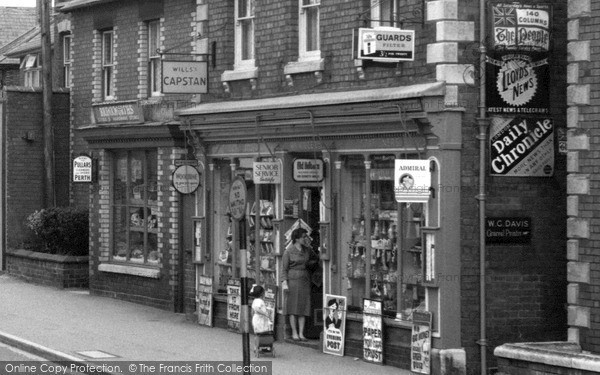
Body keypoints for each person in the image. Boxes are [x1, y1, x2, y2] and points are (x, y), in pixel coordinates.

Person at [281, 228, 312, 341]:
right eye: (303, 237)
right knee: (293, 307)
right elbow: (284, 269)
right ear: (297, 238)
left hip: (304, 280)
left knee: (303, 307)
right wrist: (284, 282)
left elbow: (314, 260)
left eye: (306, 236)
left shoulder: (307, 250)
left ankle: (301, 333)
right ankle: (294, 332)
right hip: (292, 280)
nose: (305, 239)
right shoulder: (288, 251)